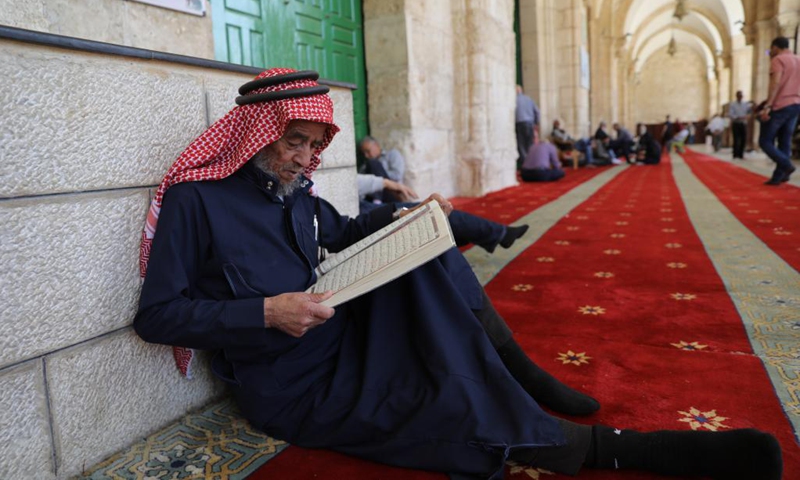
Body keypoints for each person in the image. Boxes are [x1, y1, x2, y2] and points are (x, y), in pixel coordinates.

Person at [134, 68, 782, 480]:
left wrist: (415, 216)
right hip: (291, 382)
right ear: (254, 137)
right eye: (294, 142)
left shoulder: (296, 191)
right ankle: (619, 449)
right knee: (439, 403)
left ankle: (517, 369)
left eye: (314, 144)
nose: (307, 159)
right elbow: (159, 316)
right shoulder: (200, 202)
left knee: (420, 244)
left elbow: (338, 233)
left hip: (340, 331)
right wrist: (266, 312)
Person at [357, 173, 530, 253]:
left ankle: (497, 234)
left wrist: (388, 183)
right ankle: (497, 235)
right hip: (358, 212)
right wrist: (389, 183)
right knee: (431, 214)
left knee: (436, 210)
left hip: (361, 205)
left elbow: (351, 182)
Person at [758, 36, 800, 185]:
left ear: (775, 47)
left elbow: (775, 83)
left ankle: (786, 165)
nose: (770, 52)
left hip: (781, 104)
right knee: (785, 141)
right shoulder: (798, 59)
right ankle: (779, 176)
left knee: (765, 141)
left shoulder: (778, 60)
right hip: (796, 104)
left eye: (771, 49)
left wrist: (768, 106)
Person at [515, 85, 540, 170]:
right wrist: (535, 123)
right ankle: (532, 165)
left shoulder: (513, 100)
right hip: (530, 124)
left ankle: (526, 167)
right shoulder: (529, 99)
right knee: (530, 146)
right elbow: (537, 112)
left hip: (519, 125)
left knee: (521, 146)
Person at [729, 90, 752, 159]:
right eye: (739, 95)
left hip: (743, 123)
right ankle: (735, 154)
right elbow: (731, 114)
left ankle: (741, 154)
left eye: (741, 96)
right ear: (736, 96)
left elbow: (749, 112)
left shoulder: (745, 104)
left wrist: (748, 116)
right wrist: (738, 117)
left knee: (743, 139)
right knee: (736, 139)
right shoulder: (733, 104)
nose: (740, 97)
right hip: (736, 123)